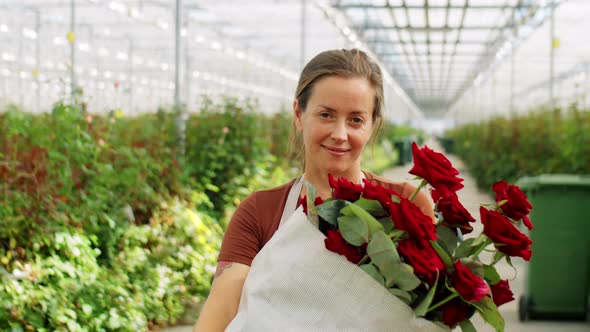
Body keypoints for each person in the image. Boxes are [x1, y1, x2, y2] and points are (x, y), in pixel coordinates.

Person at [193, 49, 434, 331]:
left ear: (372, 125)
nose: (340, 134)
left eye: (356, 119)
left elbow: (426, 312)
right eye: (326, 115)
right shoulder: (261, 212)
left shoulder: (406, 203)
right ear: (298, 113)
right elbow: (220, 311)